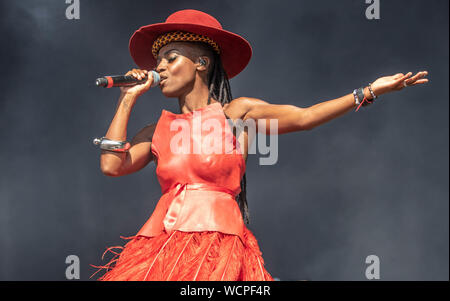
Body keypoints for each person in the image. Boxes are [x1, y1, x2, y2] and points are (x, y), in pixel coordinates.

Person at [91, 9, 428, 281]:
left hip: (218, 248)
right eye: (158, 61)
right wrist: (127, 99)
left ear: (201, 63)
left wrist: (368, 91)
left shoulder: (237, 114)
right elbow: (112, 166)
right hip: (161, 251)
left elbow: (305, 117)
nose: (160, 68)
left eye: (171, 57)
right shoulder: (157, 130)